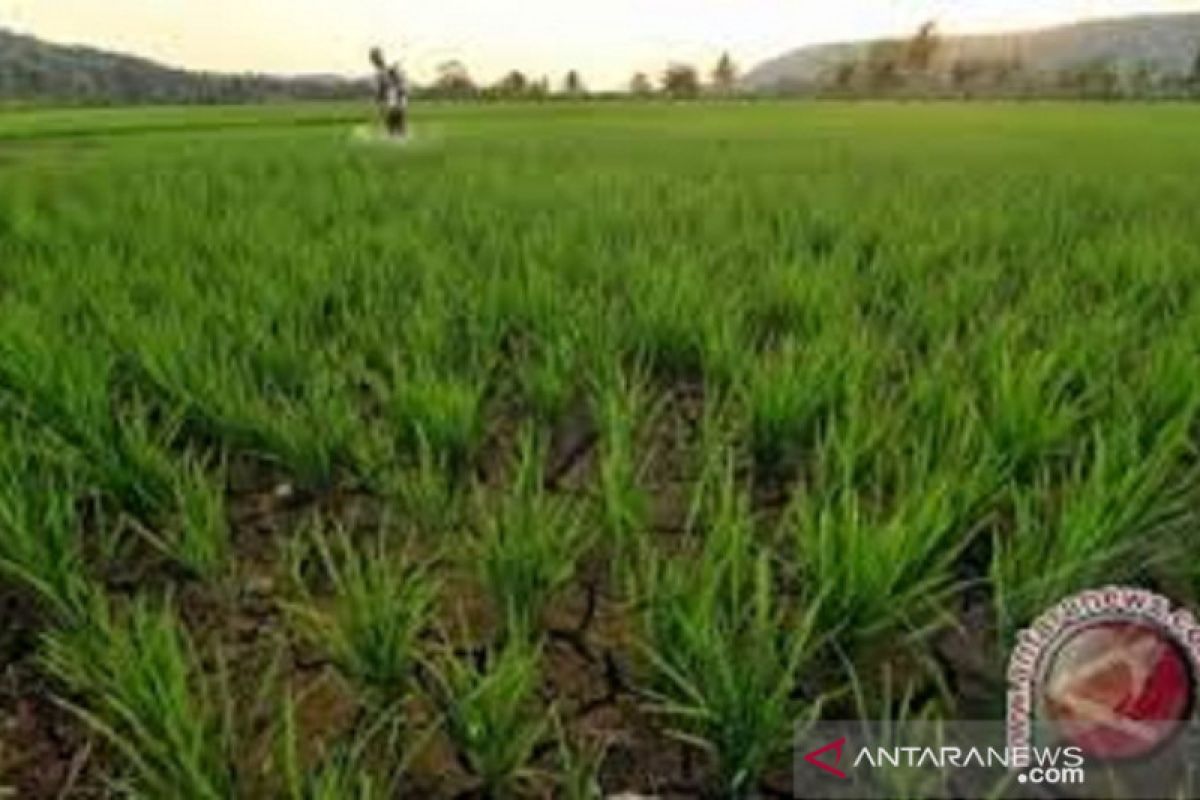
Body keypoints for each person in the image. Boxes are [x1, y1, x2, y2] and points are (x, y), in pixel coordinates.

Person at [369, 47, 408, 137]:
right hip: (389, 95)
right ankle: (395, 135)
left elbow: (396, 81)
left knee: (396, 115)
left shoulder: (386, 70)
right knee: (390, 116)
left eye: (376, 57)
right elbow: (380, 87)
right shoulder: (380, 71)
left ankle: (399, 135)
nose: (374, 60)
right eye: (374, 58)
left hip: (394, 94)